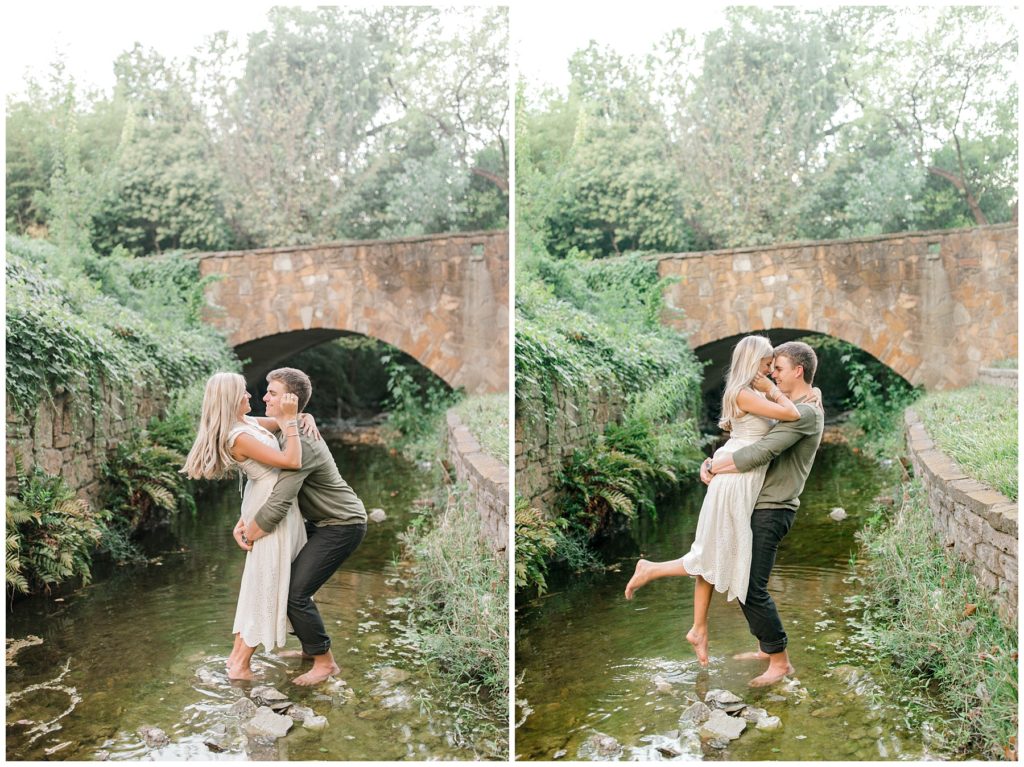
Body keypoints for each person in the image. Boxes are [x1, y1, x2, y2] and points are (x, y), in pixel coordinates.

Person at [624, 336, 804, 669]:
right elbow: (791, 414)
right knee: (713, 553)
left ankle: (698, 628)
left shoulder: (748, 392)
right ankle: (652, 571)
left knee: (713, 551)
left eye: (773, 368)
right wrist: (772, 388)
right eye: (767, 365)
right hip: (735, 478)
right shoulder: (744, 393)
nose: (771, 372)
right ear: (754, 363)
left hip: (739, 475)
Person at [232, 367, 368, 686]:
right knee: (293, 585)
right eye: (266, 391)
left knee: (295, 593)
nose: (264, 397)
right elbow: (247, 428)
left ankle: (325, 663)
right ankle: (310, 649)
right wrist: (302, 415)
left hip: (342, 524)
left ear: (291, 401)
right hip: (321, 522)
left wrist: (250, 534)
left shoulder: (301, 441)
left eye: (273, 393)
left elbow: (280, 499)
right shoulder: (285, 428)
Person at [702, 340, 824, 687]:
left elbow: (760, 451)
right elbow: (746, 438)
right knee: (745, 582)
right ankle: (765, 648)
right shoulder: (798, 405)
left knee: (752, 588)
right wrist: (713, 461)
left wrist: (716, 465)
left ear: (798, 371)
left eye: (779, 369)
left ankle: (780, 662)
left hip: (773, 507)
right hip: (759, 502)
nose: (772, 374)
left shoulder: (806, 413)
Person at [182, 372, 311, 681]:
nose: (250, 397)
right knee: (266, 584)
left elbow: (286, 419)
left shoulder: (249, 424)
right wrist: (293, 422)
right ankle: (240, 668)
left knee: (262, 582)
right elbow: (291, 460)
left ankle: (235, 659)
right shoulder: (238, 437)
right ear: (230, 399)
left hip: (271, 507)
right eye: (243, 393)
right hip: (272, 514)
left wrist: (304, 417)